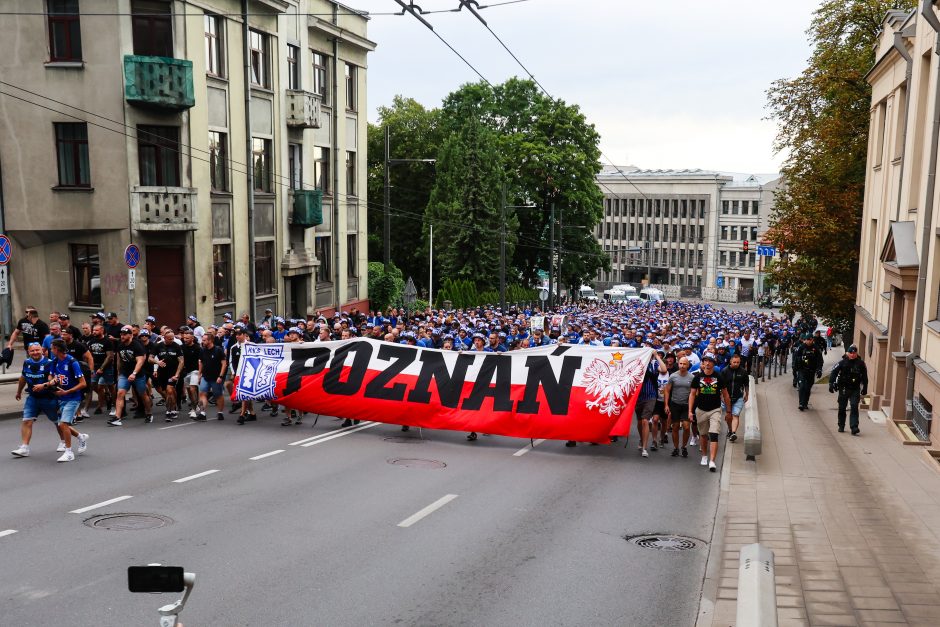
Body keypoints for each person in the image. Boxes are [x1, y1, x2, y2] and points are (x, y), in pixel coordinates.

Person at [11, 343, 61, 458]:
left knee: (57, 422)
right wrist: (18, 391)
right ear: (28, 352)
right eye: (32, 351)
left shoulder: (49, 363)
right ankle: (24, 448)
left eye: (37, 350)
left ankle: (64, 442)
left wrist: (43, 386)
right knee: (27, 420)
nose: (35, 353)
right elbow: (23, 377)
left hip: (49, 398)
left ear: (42, 350)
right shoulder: (27, 362)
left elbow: (55, 380)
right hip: (33, 397)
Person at [688, 352, 731, 472]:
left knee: (714, 434)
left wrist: (728, 411)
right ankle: (704, 456)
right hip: (701, 410)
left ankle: (712, 461)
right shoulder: (697, 377)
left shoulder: (719, 377)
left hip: (715, 409)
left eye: (710, 361)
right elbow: (692, 394)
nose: (707, 363)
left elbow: (726, 395)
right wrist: (690, 411)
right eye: (705, 361)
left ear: (713, 363)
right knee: (703, 435)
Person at [48, 339, 89, 462]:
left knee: (63, 424)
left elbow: (83, 384)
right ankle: (81, 437)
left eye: (52, 348)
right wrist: (52, 381)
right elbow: (50, 375)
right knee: (63, 425)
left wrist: (68, 391)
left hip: (73, 398)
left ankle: (69, 452)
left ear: (57, 349)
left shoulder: (72, 362)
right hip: (62, 398)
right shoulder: (55, 362)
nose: (51, 350)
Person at [111, 325, 151, 426]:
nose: (122, 336)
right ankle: (117, 417)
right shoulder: (120, 345)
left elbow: (140, 361)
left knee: (143, 395)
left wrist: (134, 373)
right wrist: (118, 373)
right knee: (120, 393)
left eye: (124, 334)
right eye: (121, 334)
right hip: (125, 374)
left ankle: (149, 413)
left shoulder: (137, 345)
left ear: (130, 335)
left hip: (138, 375)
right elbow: (119, 360)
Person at [829, 344, 868, 435]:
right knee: (842, 408)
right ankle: (841, 425)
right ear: (847, 353)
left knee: (854, 407)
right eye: (851, 352)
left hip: (855, 389)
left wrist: (865, 387)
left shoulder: (861, 364)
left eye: (854, 353)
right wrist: (831, 383)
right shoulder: (842, 362)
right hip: (844, 388)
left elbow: (865, 377)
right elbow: (834, 372)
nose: (852, 354)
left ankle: (854, 426)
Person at [664, 355, 694, 458]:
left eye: (684, 364)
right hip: (675, 404)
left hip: (686, 405)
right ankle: (676, 448)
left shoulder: (691, 377)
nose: (682, 366)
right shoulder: (673, 376)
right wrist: (666, 404)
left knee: (686, 427)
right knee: (675, 427)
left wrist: (691, 408)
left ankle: (684, 446)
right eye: (680, 363)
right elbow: (667, 390)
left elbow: (694, 393)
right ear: (678, 364)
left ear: (688, 365)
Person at [719, 353, 749, 441]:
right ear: (730, 362)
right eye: (734, 362)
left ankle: (733, 433)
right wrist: (721, 395)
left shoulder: (743, 372)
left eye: (738, 362)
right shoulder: (724, 371)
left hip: (738, 397)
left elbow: (746, 384)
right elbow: (720, 385)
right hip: (726, 397)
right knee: (729, 416)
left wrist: (746, 394)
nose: (736, 364)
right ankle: (730, 430)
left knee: (735, 415)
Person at [197, 332, 227, 421]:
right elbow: (201, 362)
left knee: (218, 395)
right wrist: (199, 374)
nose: (202, 342)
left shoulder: (218, 350)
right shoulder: (202, 350)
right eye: (202, 340)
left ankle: (220, 412)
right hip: (205, 376)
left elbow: (224, 364)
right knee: (202, 393)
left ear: (210, 340)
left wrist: (220, 376)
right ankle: (202, 413)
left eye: (204, 340)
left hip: (216, 377)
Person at [792, 333, 823, 411]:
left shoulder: (815, 348)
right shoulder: (801, 347)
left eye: (810, 340)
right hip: (802, 370)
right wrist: (795, 370)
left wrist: (819, 370)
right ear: (805, 340)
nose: (809, 341)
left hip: (811, 371)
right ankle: (801, 403)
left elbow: (820, 360)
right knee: (802, 387)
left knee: (807, 388)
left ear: (812, 340)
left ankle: (805, 402)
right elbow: (795, 358)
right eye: (807, 340)